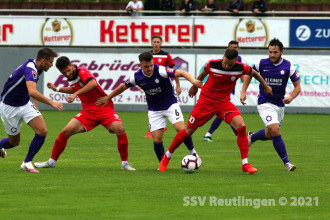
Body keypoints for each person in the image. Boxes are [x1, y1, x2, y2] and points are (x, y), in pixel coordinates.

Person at [159, 48, 272, 173]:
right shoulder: (212, 64)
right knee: (188, 131)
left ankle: (245, 164)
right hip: (206, 102)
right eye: (225, 62)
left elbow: (254, 73)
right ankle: (167, 157)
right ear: (223, 57)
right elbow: (202, 75)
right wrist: (194, 86)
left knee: (241, 126)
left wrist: (265, 86)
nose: (227, 65)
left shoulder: (240, 68)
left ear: (235, 60)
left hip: (224, 103)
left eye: (230, 63)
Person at [95, 52, 202, 166]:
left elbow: (181, 72)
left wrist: (194, 81)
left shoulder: (160, 70)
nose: (150, 68)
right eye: (146, 66)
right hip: (154, 109)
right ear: (140, 65)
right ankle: (162, 163)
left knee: (181, 129)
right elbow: (122, 87)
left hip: (170, 104)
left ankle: (193, 152)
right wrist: (108, 97)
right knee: (157, 139)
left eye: (151, 65)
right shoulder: (136, 77)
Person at [34, 56, 135, 171]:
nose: (67, 74)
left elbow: (92, 84)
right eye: (64, 73)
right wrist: (57, 89)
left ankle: (125, 164)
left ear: (72, 65)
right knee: (66, 131)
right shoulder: (71, 77)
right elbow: (74, 88)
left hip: (103, 107)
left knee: (119, 129)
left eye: (68, 70)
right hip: (88, 111)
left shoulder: (82, 71)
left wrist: (75, 94)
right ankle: (51, 162)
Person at [241, 38, 300, 171]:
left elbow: (297, 87)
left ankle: (252, 137)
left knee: (270, 134)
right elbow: (249, 74)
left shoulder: (288, 66)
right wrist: (243, 91)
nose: (272, 55)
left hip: (279, 105)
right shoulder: (261, 63)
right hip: (264, 103)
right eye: (270, 52)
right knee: (275, 130)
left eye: (275, 52)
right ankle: (287, 163)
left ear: (282, 52)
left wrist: (291, 97)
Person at [0, 48, 63, 173]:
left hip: (24, 104)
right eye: (50, 62)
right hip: (9, 107)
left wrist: (34, 103)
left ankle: (27, 162)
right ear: (44, 60)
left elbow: (28, 88)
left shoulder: (37, 68)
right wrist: (52, 102)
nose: (51, 65)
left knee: (42, 131)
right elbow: (32, 91)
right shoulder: (31, 68)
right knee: (14, 142)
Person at [203, 40, 242, 142]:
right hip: (223, 94)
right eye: (231, 47)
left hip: (230, 92)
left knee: (225, 115)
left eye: (235, 47)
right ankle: (240, 136)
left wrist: (243, 89)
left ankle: (208, 134)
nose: (233, 49)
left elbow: (243, 75)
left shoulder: (239, 59)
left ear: (238, 49)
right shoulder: (223, 61)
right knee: (230, 115)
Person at [144, 34, 181, 139]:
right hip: (151, 86)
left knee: (169, 105)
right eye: (154, 42)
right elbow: (142, 70)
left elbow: (175, 71)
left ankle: (159, 128)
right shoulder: (147, 56)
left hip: (165, 87)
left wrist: (178, 85)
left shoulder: (166, 55)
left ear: (161, 43)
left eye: (158, 42)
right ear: (151, 43)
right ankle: (156, 128)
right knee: (152, 105)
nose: (156, 44)